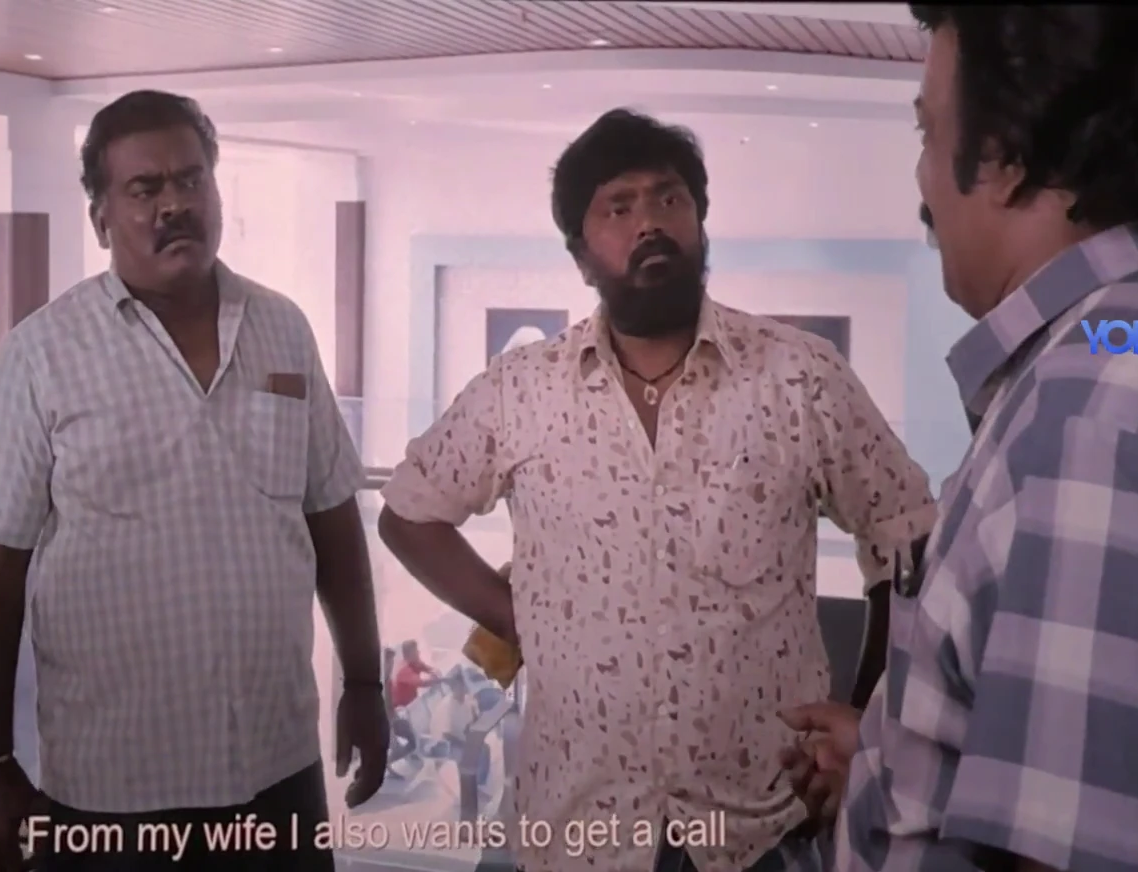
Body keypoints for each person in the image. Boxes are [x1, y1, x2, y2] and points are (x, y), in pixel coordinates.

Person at [782, 6, 1138, 872]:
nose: (922, 178)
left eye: (928, 133)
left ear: (1001, 157)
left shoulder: (1102, 430)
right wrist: (895, 762)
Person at [376, 108, 937, 872]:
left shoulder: (799, 376)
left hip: (760, 827)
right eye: (618, 207)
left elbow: (906, 536)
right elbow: (410, 513)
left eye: (669, 198)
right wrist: (517, 617)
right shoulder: (521, 391)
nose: (649, 223)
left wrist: (865, 719)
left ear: (700, 221)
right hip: (579, 829)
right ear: (581, 256)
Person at [0, 89, 387, 872]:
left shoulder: (283, 328)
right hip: (114, 794)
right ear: (101, 219)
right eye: (144, 188)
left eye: (191, 180)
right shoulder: (41, 354)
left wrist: (364, 683)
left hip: (276, 769)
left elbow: (331, 518)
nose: (174, 205)